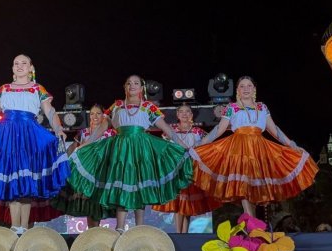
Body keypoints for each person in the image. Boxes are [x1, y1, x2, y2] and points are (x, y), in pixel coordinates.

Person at [0, 54, 70, 234]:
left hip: (28, 136)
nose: (20, 66)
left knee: (24, 183)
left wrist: (58, 129)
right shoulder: (4, 89)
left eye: (24, 63)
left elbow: (50, 112)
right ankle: (15, 226)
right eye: (16, 63)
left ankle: (24, 227)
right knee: (11, 179)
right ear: (12, 68)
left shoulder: (37, 88)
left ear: (31, 68)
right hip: (6, 135)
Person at [68, 75, 192, 233]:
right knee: (122, 182)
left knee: (140, 185)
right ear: (124, 87)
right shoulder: (117, 105)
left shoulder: (148, 107)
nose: (132, 85)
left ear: (141, 88)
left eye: (136, 83)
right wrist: (86, 143)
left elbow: (166, 128)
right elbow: (102, 128)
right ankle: (120, 227)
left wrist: (181, 144)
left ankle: (139, 228)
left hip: (141, 149)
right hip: (120, 150)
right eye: (129, 83)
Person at [190, 76, 318, 217]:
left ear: (254, 89)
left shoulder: (262, 107)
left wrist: (291, 144)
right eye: (242, 86)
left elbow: (274, 129)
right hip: (238, 148)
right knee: (243, 186)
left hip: (259, 148)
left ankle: (252, 227)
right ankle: (250, 221)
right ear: (238, 90)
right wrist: (201, 143)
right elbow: (219, 130)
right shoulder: (231, 108)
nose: (246, 89)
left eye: (249, 86)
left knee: (253, 189)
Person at [151, 104, 221, 233]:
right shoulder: (171, 131)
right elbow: (166, 150)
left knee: (187, 202)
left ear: (191, 115)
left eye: (187, 112)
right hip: (176, 170)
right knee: (179, 200)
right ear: (177, 115)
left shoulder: (198, 132)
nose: (184, 114)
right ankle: (179, 233)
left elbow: (205, 148)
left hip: (192, 169)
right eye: (181, 112)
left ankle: (185, 233)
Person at [51, 104, 117, 228]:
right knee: (88, 204)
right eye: (92, 113)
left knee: (100, 204)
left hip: (102, 173)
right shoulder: (83, 132)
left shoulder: (110, 133)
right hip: (85, 175)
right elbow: (72, 149)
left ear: (103, 116)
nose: (95, 116)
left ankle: (104, 234)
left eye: (98, 113)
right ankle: (92, 233)